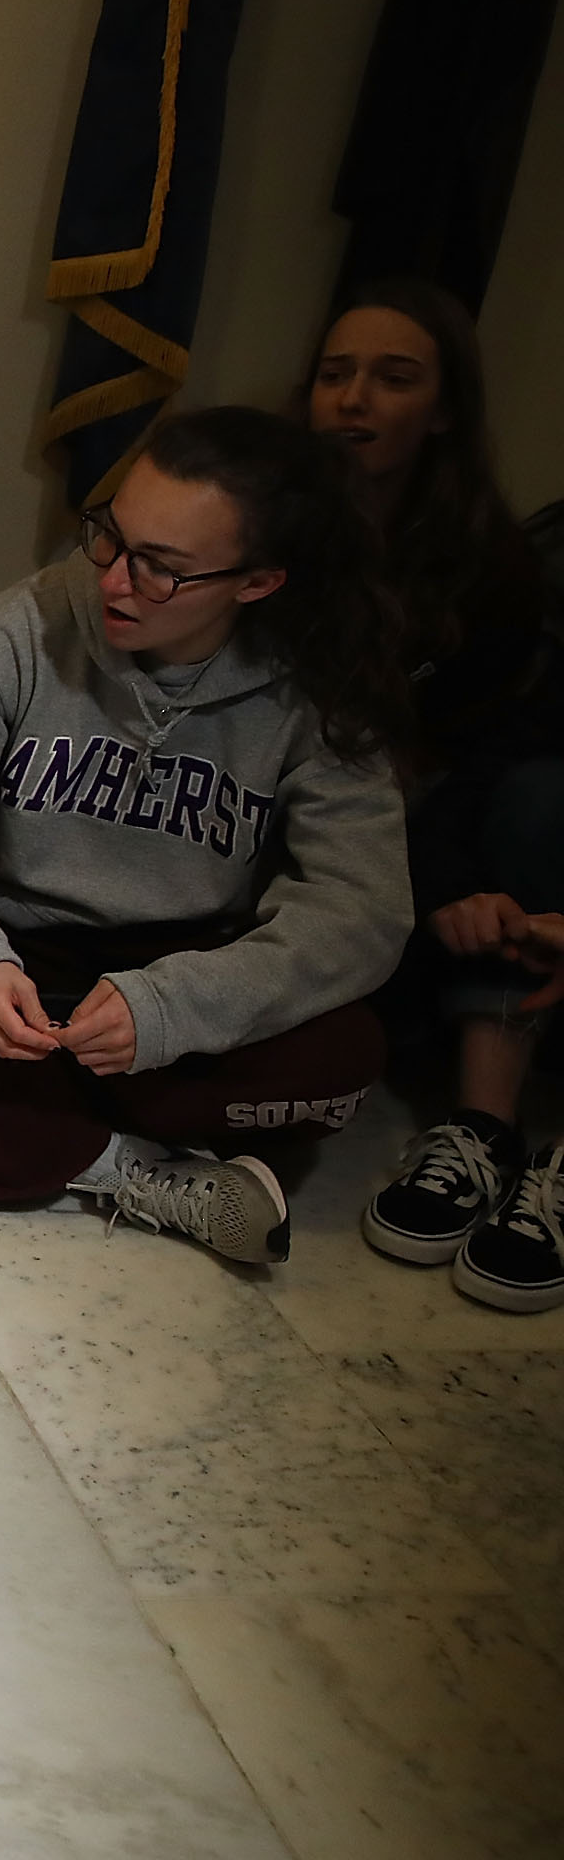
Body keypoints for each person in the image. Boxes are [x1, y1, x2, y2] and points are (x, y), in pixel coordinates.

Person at [0, 406, 414, 1265]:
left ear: (256, 582)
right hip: (10, 952)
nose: (112, 579)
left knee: (347, 1056)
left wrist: (176, 1008)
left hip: (181, 969)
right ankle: (119, 1166)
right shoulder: (21, 630)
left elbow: (361, 911)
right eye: (110, 536)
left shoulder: (322, 686)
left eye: (163, 571)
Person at [312, 282, 564, 1311]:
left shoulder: (492, 571)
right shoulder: (261, 516)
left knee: (529, 799)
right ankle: (474, 1113)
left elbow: (485, 755)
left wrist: (462, 881)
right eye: (335, 375)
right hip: (283, 810)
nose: (354, 399)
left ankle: (495, 1135)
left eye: (393, 377)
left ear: (446, 409)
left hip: (423, 825)